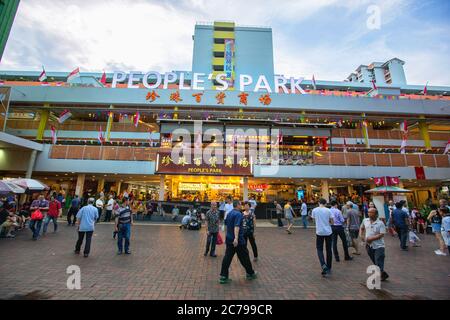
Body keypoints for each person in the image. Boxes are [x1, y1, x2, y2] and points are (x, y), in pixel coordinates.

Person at [219, 200, 257, 284]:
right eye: (241, 204)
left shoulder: (229, 214)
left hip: (229, 239)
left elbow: (226, 226)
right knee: (245, 257)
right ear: (238, 205)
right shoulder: (238, 214)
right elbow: (237, 226)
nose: (242, 206)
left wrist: (226, 236)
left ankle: (223, 276)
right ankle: (250, 273)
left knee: (227, 257)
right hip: (238, 241)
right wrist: (236, 238)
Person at [360, 208, 389, 281]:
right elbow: (362, 228)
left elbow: (381, 234)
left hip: (379, 246)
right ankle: (383, 274)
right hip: (369, 246)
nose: (369, 214)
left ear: (376, 214)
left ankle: (376, 278)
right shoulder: (365, 220)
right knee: (375, 261)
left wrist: (370, 239)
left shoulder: (380, 223)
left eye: (371, 212)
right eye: (369, 212)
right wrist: (361, 236)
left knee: (378, 261)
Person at [311, 198, 334, 276]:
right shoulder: (328, 210)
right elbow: (332, 222)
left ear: (318, 202)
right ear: (325, 203)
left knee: (319, 249)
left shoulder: (314, 210)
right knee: (329, 249)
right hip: (328, 231)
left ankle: (323, 265)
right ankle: (329, 266)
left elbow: (313, 221)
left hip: (319, 232)